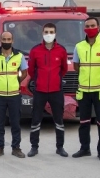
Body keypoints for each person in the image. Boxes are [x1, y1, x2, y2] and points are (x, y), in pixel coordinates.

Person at [72, 17, 100, 161]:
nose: (90, 28)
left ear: (98, 27)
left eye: (93, 25)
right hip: (84, 91)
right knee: (83, 122)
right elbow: (76, 66)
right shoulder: (79, 46)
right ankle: (84, 148)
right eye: (87, 26)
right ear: (84, 28)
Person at [26, 23, 69, 157]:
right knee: (36, 119)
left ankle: (60, 147)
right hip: (40, 91)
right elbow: (31, 70)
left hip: (56, 91)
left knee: (59, 120)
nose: (48, 34)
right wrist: (39, 80)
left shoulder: (61, 50)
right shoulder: (35, 50)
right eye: (46, 32)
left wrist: (56, 79)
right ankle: (34, 147)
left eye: (51, 32)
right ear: (42, 33)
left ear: (55, 33)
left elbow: (64, 69)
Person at [0, 31, 28, 158]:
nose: (6, 41)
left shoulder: (19, 56)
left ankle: (16, 148)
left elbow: (24, 73)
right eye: (4, 39)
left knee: (15, 123)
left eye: (9, 39)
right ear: (0, 41)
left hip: (14, 95)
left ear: (12, 41)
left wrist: (16, 82)